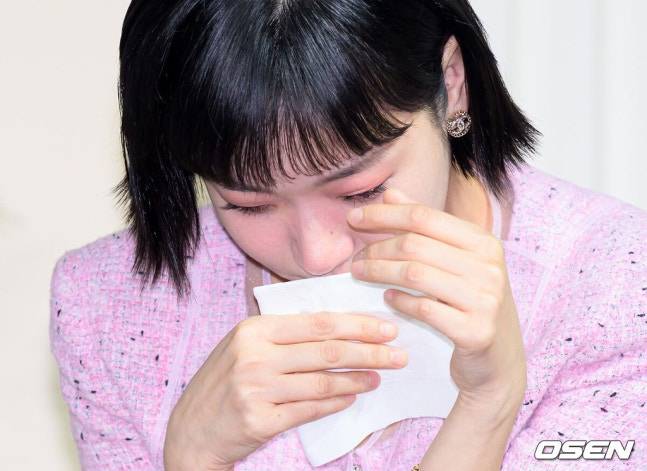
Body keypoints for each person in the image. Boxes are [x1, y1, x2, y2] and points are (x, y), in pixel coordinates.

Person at [49, 1, 646, 470]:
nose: (317, 253)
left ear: (452, 82)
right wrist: (194, 457)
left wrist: (488, 406)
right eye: (248, 204)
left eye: (360, 191)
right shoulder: (108, 308)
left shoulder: (614, 286)